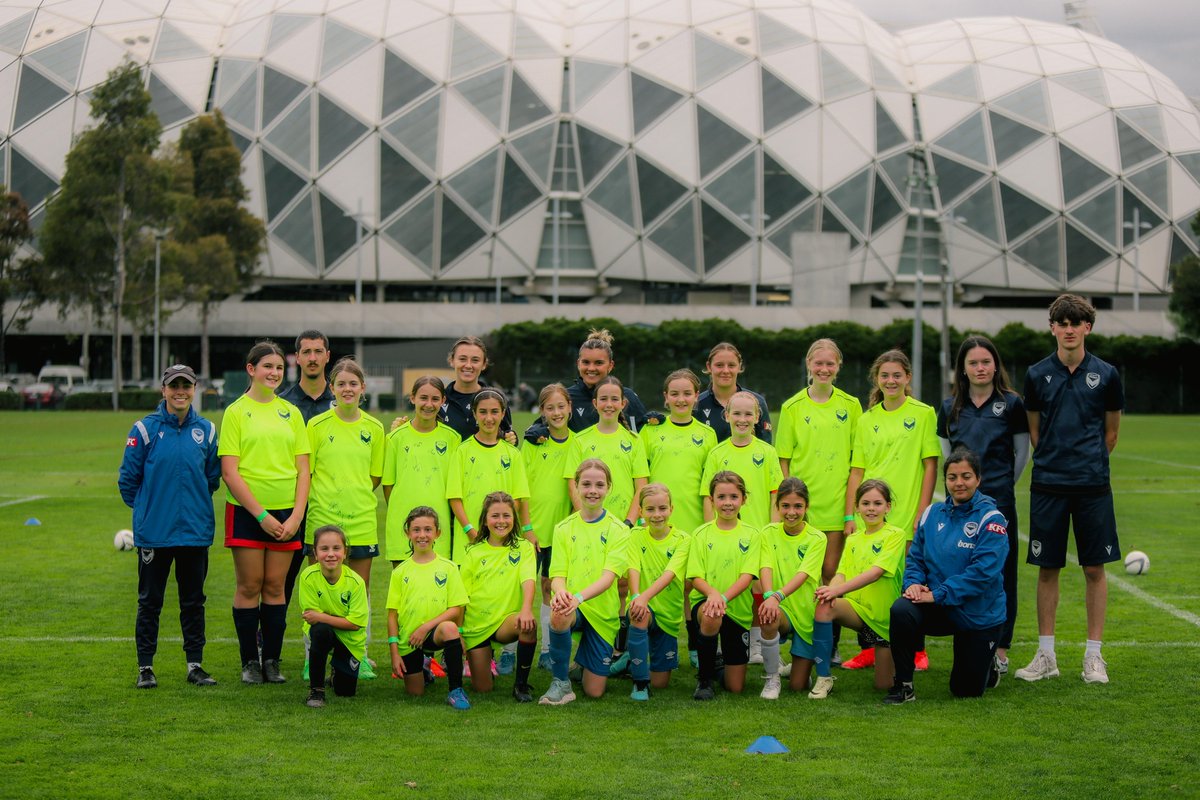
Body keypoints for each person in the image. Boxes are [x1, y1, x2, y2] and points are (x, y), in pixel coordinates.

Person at [1016, 294, 1124, 685]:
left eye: (1076, 323)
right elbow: (1034, 431)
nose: (1069, 329)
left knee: (1094, 567)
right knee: (1048, 568)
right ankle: (1046, 655)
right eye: (1061, 323)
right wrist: (1056, 459)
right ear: (1052, 328)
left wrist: (1086, 460)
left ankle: (1094, 657)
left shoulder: (1107, 374)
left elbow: (1110, 434)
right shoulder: (1036, 373)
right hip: (1048, 484)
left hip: (1093, 484)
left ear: (1087, 328)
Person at [118, 364, 221, 689]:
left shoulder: (206, 430)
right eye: (174, 385)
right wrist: (150, 512)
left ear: (194, 389)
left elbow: (212, 478)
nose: (180, 391)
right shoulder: (144, 430)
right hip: (155, 535)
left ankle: (195, 665)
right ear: (163, 390)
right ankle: (145, 668)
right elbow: (128, 482)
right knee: (150, 602)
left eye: (186, 386)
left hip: (194, 532)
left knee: (193, 601)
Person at [219, 341, 311, 685]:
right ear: (251, 369)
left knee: (275, 586)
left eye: (278, 368)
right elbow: (230, 472)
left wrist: (296, 516)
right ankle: (249, 663)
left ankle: (271, 661)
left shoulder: (291, 412)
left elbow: (304, 469)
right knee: (250, 585)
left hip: (288, 514)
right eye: (267, 367)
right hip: (248, 513)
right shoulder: (236, 412)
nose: (273, 373)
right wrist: (261, 516)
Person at [885, 450, 1009, 704]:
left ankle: (989, 662)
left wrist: (937, 593)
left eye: (966, 476)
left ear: (978, 479)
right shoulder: (932, 514)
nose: (959, 483)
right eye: (952, 477)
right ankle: (904, 686)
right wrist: (914, 585)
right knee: (902, 609)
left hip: (977, 612)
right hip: (939, 604)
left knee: (965, 690)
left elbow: (982, 573)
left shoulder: (991, 519)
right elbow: (916, 558)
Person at [937, 335, 1029, 677]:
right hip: (959, 506)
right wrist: (960, 489)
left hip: (999, 503)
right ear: (963, 368)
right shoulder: (949, 407)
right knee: (959, 570)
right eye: (973, 363)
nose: (980, 368)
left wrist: (1002, 486)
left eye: (986, 362)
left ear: (996, 366)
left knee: (1002, 575)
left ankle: (1000, 649)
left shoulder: (1013, 403)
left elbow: (1022, 454)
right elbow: (947, 453)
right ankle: (969, 641)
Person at [843, 349, 938, 671]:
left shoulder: (924, 413)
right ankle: (870, 648)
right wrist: (849, 516)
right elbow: (857, 471)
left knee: (910, 580)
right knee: (867, 582)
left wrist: (921, 512)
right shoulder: (866, 419)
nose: (891, 380)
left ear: (907, 378)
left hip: (907, 514)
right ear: (877, 379)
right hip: (869, 514)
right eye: (885, 375)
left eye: (897, 375)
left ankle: (916, 649)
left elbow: (929, 466)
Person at [305, 357, 384, 679]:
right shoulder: (316, 426)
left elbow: (375, 478)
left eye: (353, 384)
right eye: (341, 384)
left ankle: (358, 657)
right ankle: (313, 661)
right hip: (322, 520)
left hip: (361, 522)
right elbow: (306, 474)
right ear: (332, 388)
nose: (347, 389)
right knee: (317, 592)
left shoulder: (375, 428)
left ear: (362, 388)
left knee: (359, 593)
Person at [540, 459, 631, 705]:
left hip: (602, 613)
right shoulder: (562, 528)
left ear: (609, 488)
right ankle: (561, 683)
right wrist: (561, 594)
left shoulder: (619, 530)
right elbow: (557, 575)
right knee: (558, 612)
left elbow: (608, 578)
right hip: (573, 606)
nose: (593, 490)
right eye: (587, 484)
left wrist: (577, 597)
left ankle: (584, 663)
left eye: (599, 485)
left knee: (594, 691)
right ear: (577, 487)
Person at [814, 479, 907, 692]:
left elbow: (875, 573)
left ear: (888, 506)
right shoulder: (854, 539)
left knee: (884, 686)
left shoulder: (895, 535)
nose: (871, 509)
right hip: (857, 611)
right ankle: (823, 678)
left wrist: (836, 590)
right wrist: (829, 591)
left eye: (877, 503)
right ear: (857, 507)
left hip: (883, 620)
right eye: (865, 503)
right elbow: (842, 573)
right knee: (824, 605)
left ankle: (897, 656)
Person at [385, 506, 471, 710]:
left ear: (437, 533)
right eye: (416, 530)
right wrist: (394, 653)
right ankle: (424, 668)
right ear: (408, 533)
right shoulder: (400, 572)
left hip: (435, 633)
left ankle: (455, 690)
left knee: (449, 628)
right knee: (415, 693)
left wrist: (427, 628)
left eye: (427, 529)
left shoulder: (448, 567)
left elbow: (456, 609)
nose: (422, 535)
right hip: (410, 638)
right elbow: (392, 616)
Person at [687, 471, 762, 700]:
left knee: (735, 687)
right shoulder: (701, 534)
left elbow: (747, 576)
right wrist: (713, 596)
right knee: (712, 615)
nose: (727, 503)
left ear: (743, 499)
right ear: (711, 500)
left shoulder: (752, 535)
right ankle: (704, 680)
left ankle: (717, 665)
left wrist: (724, 598)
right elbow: (695, 577)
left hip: (736, 609)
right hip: (706, 604)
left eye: (733, 497)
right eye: (721, 497)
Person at [757, 477, 832, 700]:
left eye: (798, 506)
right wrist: (770, 595)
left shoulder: (817, 538)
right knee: (769, 617)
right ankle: (772, 678)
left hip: (805, 612)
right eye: (786, 506)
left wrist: (776, 596)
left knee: (798, 686)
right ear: (777, 506)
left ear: (806, 507)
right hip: (780, 606)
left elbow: (803, 574)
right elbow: (765, 566)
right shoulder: (768, 533)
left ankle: (798, 668)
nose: (791, 512)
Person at [460, 492, 538, 702]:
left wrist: (526, 609)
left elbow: (528, 579)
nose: (501, 521)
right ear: (485, 519)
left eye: (506, 515)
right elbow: (462, 597)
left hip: (505, 622)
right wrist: (460, 632)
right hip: (476, 624)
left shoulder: (523, 547)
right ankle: (485, 661)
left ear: (514, 518)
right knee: (482, 689)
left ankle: (521, 685)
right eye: (495, 516)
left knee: (528, 625)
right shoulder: (472, 551)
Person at [277, 331, 334, 612]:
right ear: (297, 358)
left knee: (332, 582)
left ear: (327, 356)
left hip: (327, 507)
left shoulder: (342, 401)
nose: (313, 358)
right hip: (288, 506)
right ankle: (267, 640)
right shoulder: (283, 403)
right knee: (281, 580)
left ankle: (338, 650)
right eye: (307, 352)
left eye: (318, 351)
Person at [521, 383, 575, 670]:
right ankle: (509, 650)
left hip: (561, 531)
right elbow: (521, 487)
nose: (556, 412)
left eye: (561, 406)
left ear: (570, 407)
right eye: (550, 407)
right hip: (531, 530)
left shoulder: (577, 442)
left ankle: (547, 648)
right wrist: (527, 526)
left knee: (550, 586)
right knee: (523, 587)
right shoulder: (532, 442)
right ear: (542, 411)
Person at [446, 388, 532, 564]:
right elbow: (454, 497)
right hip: (469, 541)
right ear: (475, 414)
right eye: (483, 412)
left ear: (502, 414)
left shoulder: (512, 454)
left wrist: (500, 528)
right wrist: (470, 531)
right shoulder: (462, 451)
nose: (489, 418)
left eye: (494, 412)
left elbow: (518, 498)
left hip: (502, 539)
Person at [382, 376, 460, 565]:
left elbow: (455, 486)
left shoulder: (452, 439)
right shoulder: (395, 438)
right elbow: (388, 486)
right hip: (403, 526)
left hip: (438, 528)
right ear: (412, 398)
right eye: (423, 398)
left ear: (443, 401)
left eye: (435, 399)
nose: (428, 404)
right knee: (405, 588)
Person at [524, 328, 650, 440]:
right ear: (578, 363)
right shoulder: (566, 397)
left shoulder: (628, 397)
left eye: (598, 363)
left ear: (610, 365)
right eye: (586, 362)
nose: (591, 368)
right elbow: (538, 428)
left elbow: (646, 436)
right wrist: (535, 431)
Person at [626, 484, 691, 700]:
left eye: (662, 508)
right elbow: (633, 567)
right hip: (642, 605)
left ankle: (629, 659)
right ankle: (640, 684)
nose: (657, 515)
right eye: (650, 510)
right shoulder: (635, 535)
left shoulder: (683, 540)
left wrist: (644, 596)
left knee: (661, 683)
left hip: (669, 615)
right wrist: (637, 596)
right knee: (639, 614)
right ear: (641, 512)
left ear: (671, 509)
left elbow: (670, 574)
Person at [298, 525, 368, 708]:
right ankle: (316, 691)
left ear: (345, 552)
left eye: (336, 549)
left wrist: (323, 616)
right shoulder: (308, 576)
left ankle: (337, 672)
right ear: (315, 552)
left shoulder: (356, 582)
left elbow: (355, 624)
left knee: (345, 692)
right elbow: (310, 617)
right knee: (320, 631)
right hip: (324, 632)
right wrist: (325, 619)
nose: (330, 554)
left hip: (349, 639)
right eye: (324, 549)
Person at [639, 368, 716, 535]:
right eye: (674, 394)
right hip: (656, 520)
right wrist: (643, 520)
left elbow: (710, 485)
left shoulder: (708, 434)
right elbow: (640, 480)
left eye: (687, 393)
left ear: (696, 396)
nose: (681, 399)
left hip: (694, 521)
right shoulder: (649, 430)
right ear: (666, 396)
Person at [564, 376, 649, 527]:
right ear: (595, 403)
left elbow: (641, 487)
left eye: (615, 399)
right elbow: (572, 485)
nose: (609, 404)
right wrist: (587, 519)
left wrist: (629, 522)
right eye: (603, 399)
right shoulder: (580, 440)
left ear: (623, 403)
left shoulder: (634, 440)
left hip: (624, 526)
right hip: (589, 524)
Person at [438, 336, 515, 440]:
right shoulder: (438, 399)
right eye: (462, 359)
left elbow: (507, 436)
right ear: (452, 361)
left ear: (484, 364)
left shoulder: (497, 399)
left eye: (475, 360)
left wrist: (512, 439)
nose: (468, 365)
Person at [694, 342, 772, 442]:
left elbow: (766, 446)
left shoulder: (757, 402)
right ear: (709, 366)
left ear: (739, 366)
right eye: (719, 365)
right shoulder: (696, 404)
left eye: (731, 365)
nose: (726, 370)